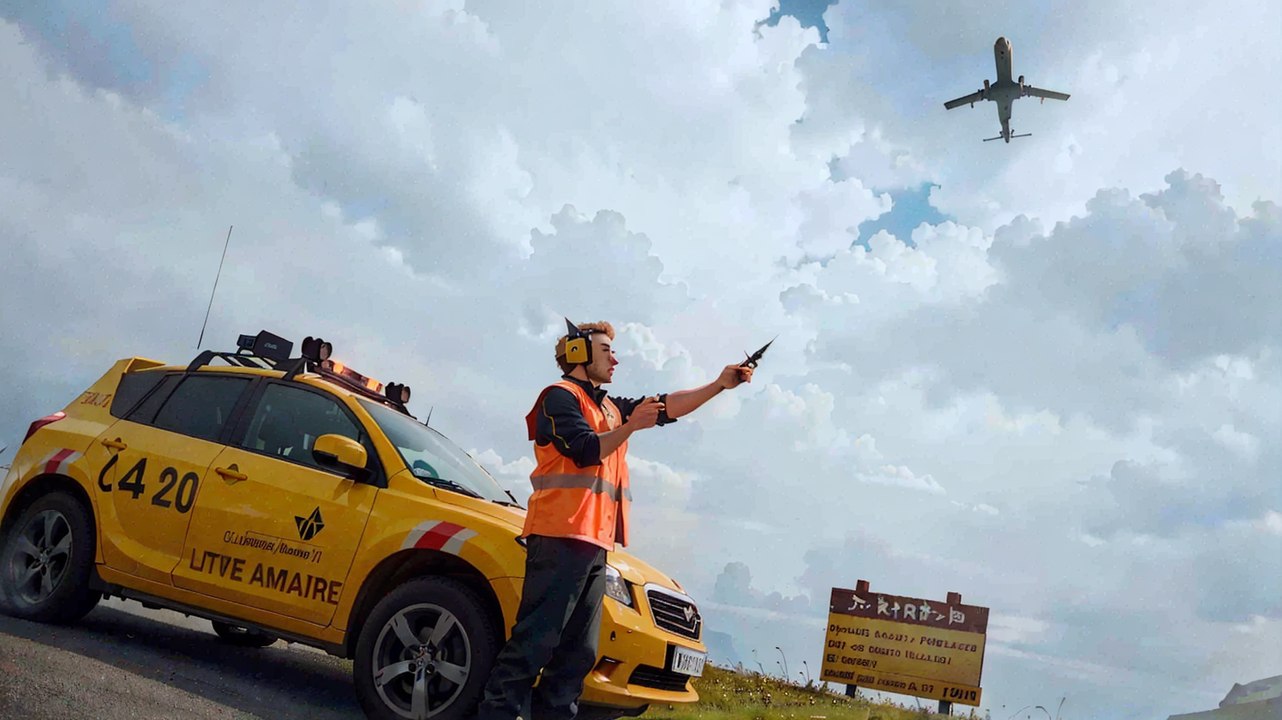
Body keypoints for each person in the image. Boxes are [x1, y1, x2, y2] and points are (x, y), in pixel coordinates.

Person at [477, 320, 754, 720]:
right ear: (578, 354)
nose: (616, 359)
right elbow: (585, 450)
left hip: (593, 544)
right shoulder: (558, 397)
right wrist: (630, 427)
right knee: (535, 644)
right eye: (606, 350)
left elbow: (667, 406)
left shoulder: (607, 405)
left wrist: (718, 384)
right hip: (558, 536)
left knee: (578, 654)